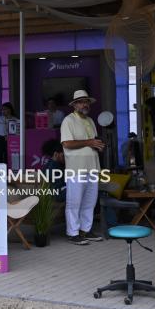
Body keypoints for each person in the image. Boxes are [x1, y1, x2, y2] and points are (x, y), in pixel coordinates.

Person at [60, 90, 105, 245]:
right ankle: (73, 233)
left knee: (90, 202)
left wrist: (98, 145)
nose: (84, 104)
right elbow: (67, 143)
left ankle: (85, 230)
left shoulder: (90, 121)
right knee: (74, 202)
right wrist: (89, 142)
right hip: (76, 168)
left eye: (86, 102)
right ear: (74, 105)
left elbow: (93, 141)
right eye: (81, 102)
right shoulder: (68, 120)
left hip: (92, 167)